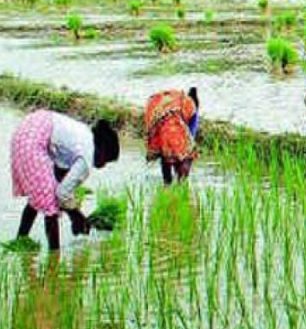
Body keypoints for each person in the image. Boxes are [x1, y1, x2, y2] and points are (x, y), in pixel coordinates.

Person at [9, 110, 120, 250]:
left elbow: (60, 181)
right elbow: (61, 193)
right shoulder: (87, 158)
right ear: (102, 150)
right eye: (106, 161)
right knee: (50, 205)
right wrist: (78, 217)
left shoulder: (84, 135)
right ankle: (54, 256)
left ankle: (20, 241)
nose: (103, 166)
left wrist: (74, 215)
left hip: (28, 128)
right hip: (32, 143)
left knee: (39, 196)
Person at [144, 87, 199, 184]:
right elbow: (191, 136)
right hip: (171, 128)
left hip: (160, 125)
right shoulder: (191, 107)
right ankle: (181, 185)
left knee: (165, 157)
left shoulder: (173, 100)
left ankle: (167, 184)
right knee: (187, 154)